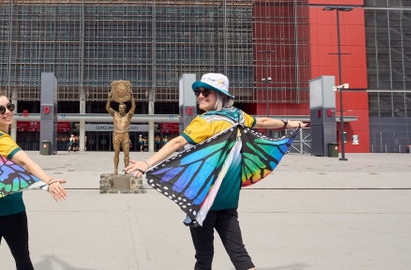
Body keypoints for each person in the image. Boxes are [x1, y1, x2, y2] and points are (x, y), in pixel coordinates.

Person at [125, 73, 303, 270]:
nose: (200, 96)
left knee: (203, 257)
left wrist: (147, 164)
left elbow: (178, 142)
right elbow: (262, 122)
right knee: (240, 256)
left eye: (206, 91)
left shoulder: (205, 121)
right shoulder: (238, 116)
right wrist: (289, 123)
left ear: (219, 95)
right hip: (228, 200)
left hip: (204, 201)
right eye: (198, 92)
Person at [0, 90, 67, 270]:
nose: (8, 111)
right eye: (1, 109)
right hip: (8, 207)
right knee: (22, 258)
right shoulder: (1, 140)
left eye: (10, 106)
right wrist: (50, 180)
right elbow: (25, 161)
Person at [106, 92, 136, 174]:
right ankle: (115, 170)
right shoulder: (115, 114)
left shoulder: (128, 116)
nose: (120, 109)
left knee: (126, 155)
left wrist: (132, 97)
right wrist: (109, 98)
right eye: (119, 108)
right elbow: (108, 108)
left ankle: (126, 170)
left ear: (125, 109)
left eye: (122, 108)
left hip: (125, 135)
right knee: (116, 153)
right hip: (116, 135)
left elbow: (133, 107)